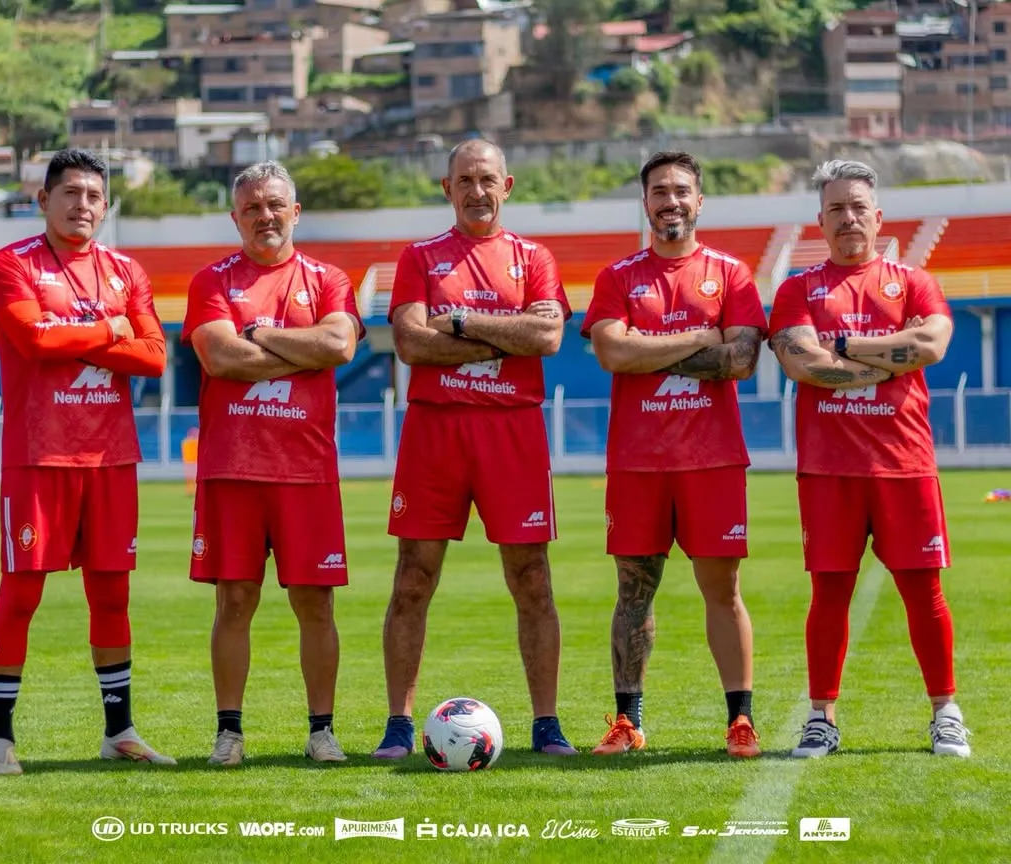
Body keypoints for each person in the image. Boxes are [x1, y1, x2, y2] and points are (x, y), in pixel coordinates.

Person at [372, 139, 577, 759]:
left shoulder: (533, 257)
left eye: (487, 179)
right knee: (413, 578)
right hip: (436, 432)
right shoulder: (420, 258)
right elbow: (410, 342)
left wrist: (459, 323)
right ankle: (398, 726)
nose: (477, 190)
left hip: (511, 431)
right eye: (465, 179)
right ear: (447, 187)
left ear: (507, 186)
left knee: (532, 579)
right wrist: (500, 341)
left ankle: (547, 724)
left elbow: (545, 335)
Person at [768, 159, 969, 758]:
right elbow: (804, 364)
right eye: (836, 209)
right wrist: (889, 356)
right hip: (829, 469)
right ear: (821, 221)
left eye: (858, 207)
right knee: (829, 593)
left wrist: (846, 345)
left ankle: (945, 711)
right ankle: (821, 718)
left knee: (923, 592)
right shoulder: (797, 289)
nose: (848, 217)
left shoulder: (914, 281)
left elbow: (929, 345)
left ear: (878, 217)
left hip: (904, 462)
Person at [0, 148, 172, 774]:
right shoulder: (10, 265)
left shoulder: (125, 270)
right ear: (44, 200)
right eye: (70, 193)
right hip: (38, 456)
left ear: (106, 205)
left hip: (111, 457)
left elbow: (155, 357)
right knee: (21, 593)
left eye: (93, 195)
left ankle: (119, 731)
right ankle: (0, 739)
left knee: (112, 596)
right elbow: (35, 341)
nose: (82, 205)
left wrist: (91, 335)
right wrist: (112, 330)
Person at [582, 151, 767, 758]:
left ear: (699, 200)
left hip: (711, 459)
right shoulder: (617, 278)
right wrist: (697, 338)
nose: (671, 200)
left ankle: (739, 721)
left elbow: (739, 359)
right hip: (638, 462)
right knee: (634, 593)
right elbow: (612, 354)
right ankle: (627, 722)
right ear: (645, 203)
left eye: (682, 190)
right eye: (659, 190)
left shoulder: (731, 274)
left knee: (723, 589)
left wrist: (647, 346)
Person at [183, 161, 363, 766]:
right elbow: (222, 358)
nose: (266, 216)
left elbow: (339, 344)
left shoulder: (329, 278)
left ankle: (322, 731)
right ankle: (229, 732)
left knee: (316, 603)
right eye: (253, 207)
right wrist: (300, 350)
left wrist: (259, 335)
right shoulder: (210, 281)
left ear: (296, 211)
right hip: (233, 468)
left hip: (307, 470)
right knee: (234, 601)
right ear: (235, 216)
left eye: (275, 204)